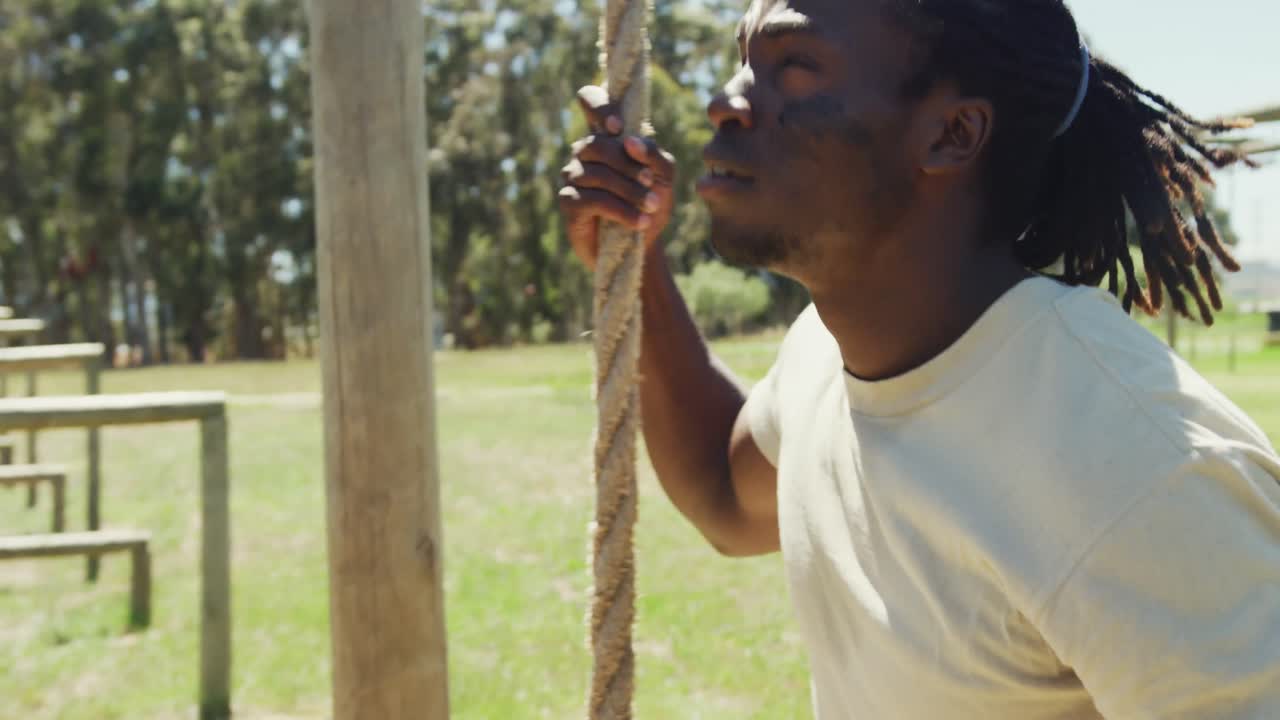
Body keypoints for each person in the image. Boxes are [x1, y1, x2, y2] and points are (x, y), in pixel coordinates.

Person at [558, 0, 1280, 717]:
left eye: (796, 66)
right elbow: (725, 495)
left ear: (952, 134)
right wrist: (637, 262)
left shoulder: (1142, 471)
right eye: (743, 61)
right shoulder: (825, 353)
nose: (726, 101)